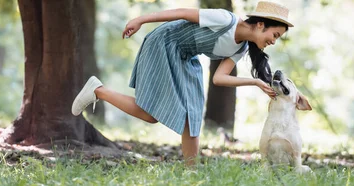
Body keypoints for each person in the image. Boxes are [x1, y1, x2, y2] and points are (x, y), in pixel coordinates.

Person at [71, 1, 294, 165]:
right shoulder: (225, 19)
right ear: (260, 24)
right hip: (165, 43)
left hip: (187, 57)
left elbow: (219, 78)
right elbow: (181, 13)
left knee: (192, 116)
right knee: (150, 115)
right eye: (275, 35)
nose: (274, 41)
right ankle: (97, 90)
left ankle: (191, 175)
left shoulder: (241, 47)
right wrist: (141, 19)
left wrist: (254, 82)